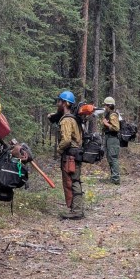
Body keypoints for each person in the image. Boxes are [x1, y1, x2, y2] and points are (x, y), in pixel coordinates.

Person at [56, 90, 85, 220]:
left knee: (72, 182)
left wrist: (59, 149)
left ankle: (77, 211)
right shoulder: (74, 119)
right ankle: (76, 209)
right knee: (75, 181)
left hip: (70, 156)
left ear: (65, 103)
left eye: (59, 101)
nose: (57, 103)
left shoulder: (67, 120)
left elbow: (66, 140)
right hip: (75, 154)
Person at [101, 96, 121, 184]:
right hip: (109, 138)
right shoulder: (109, 114)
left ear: (109, 106)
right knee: (110, 158)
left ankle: (116, 179)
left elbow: (116, 128)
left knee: (113, 158)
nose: (104, 107)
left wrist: (106, 124)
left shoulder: (113, 115)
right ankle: (113, 177)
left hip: (113, 139)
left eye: (105, 105)